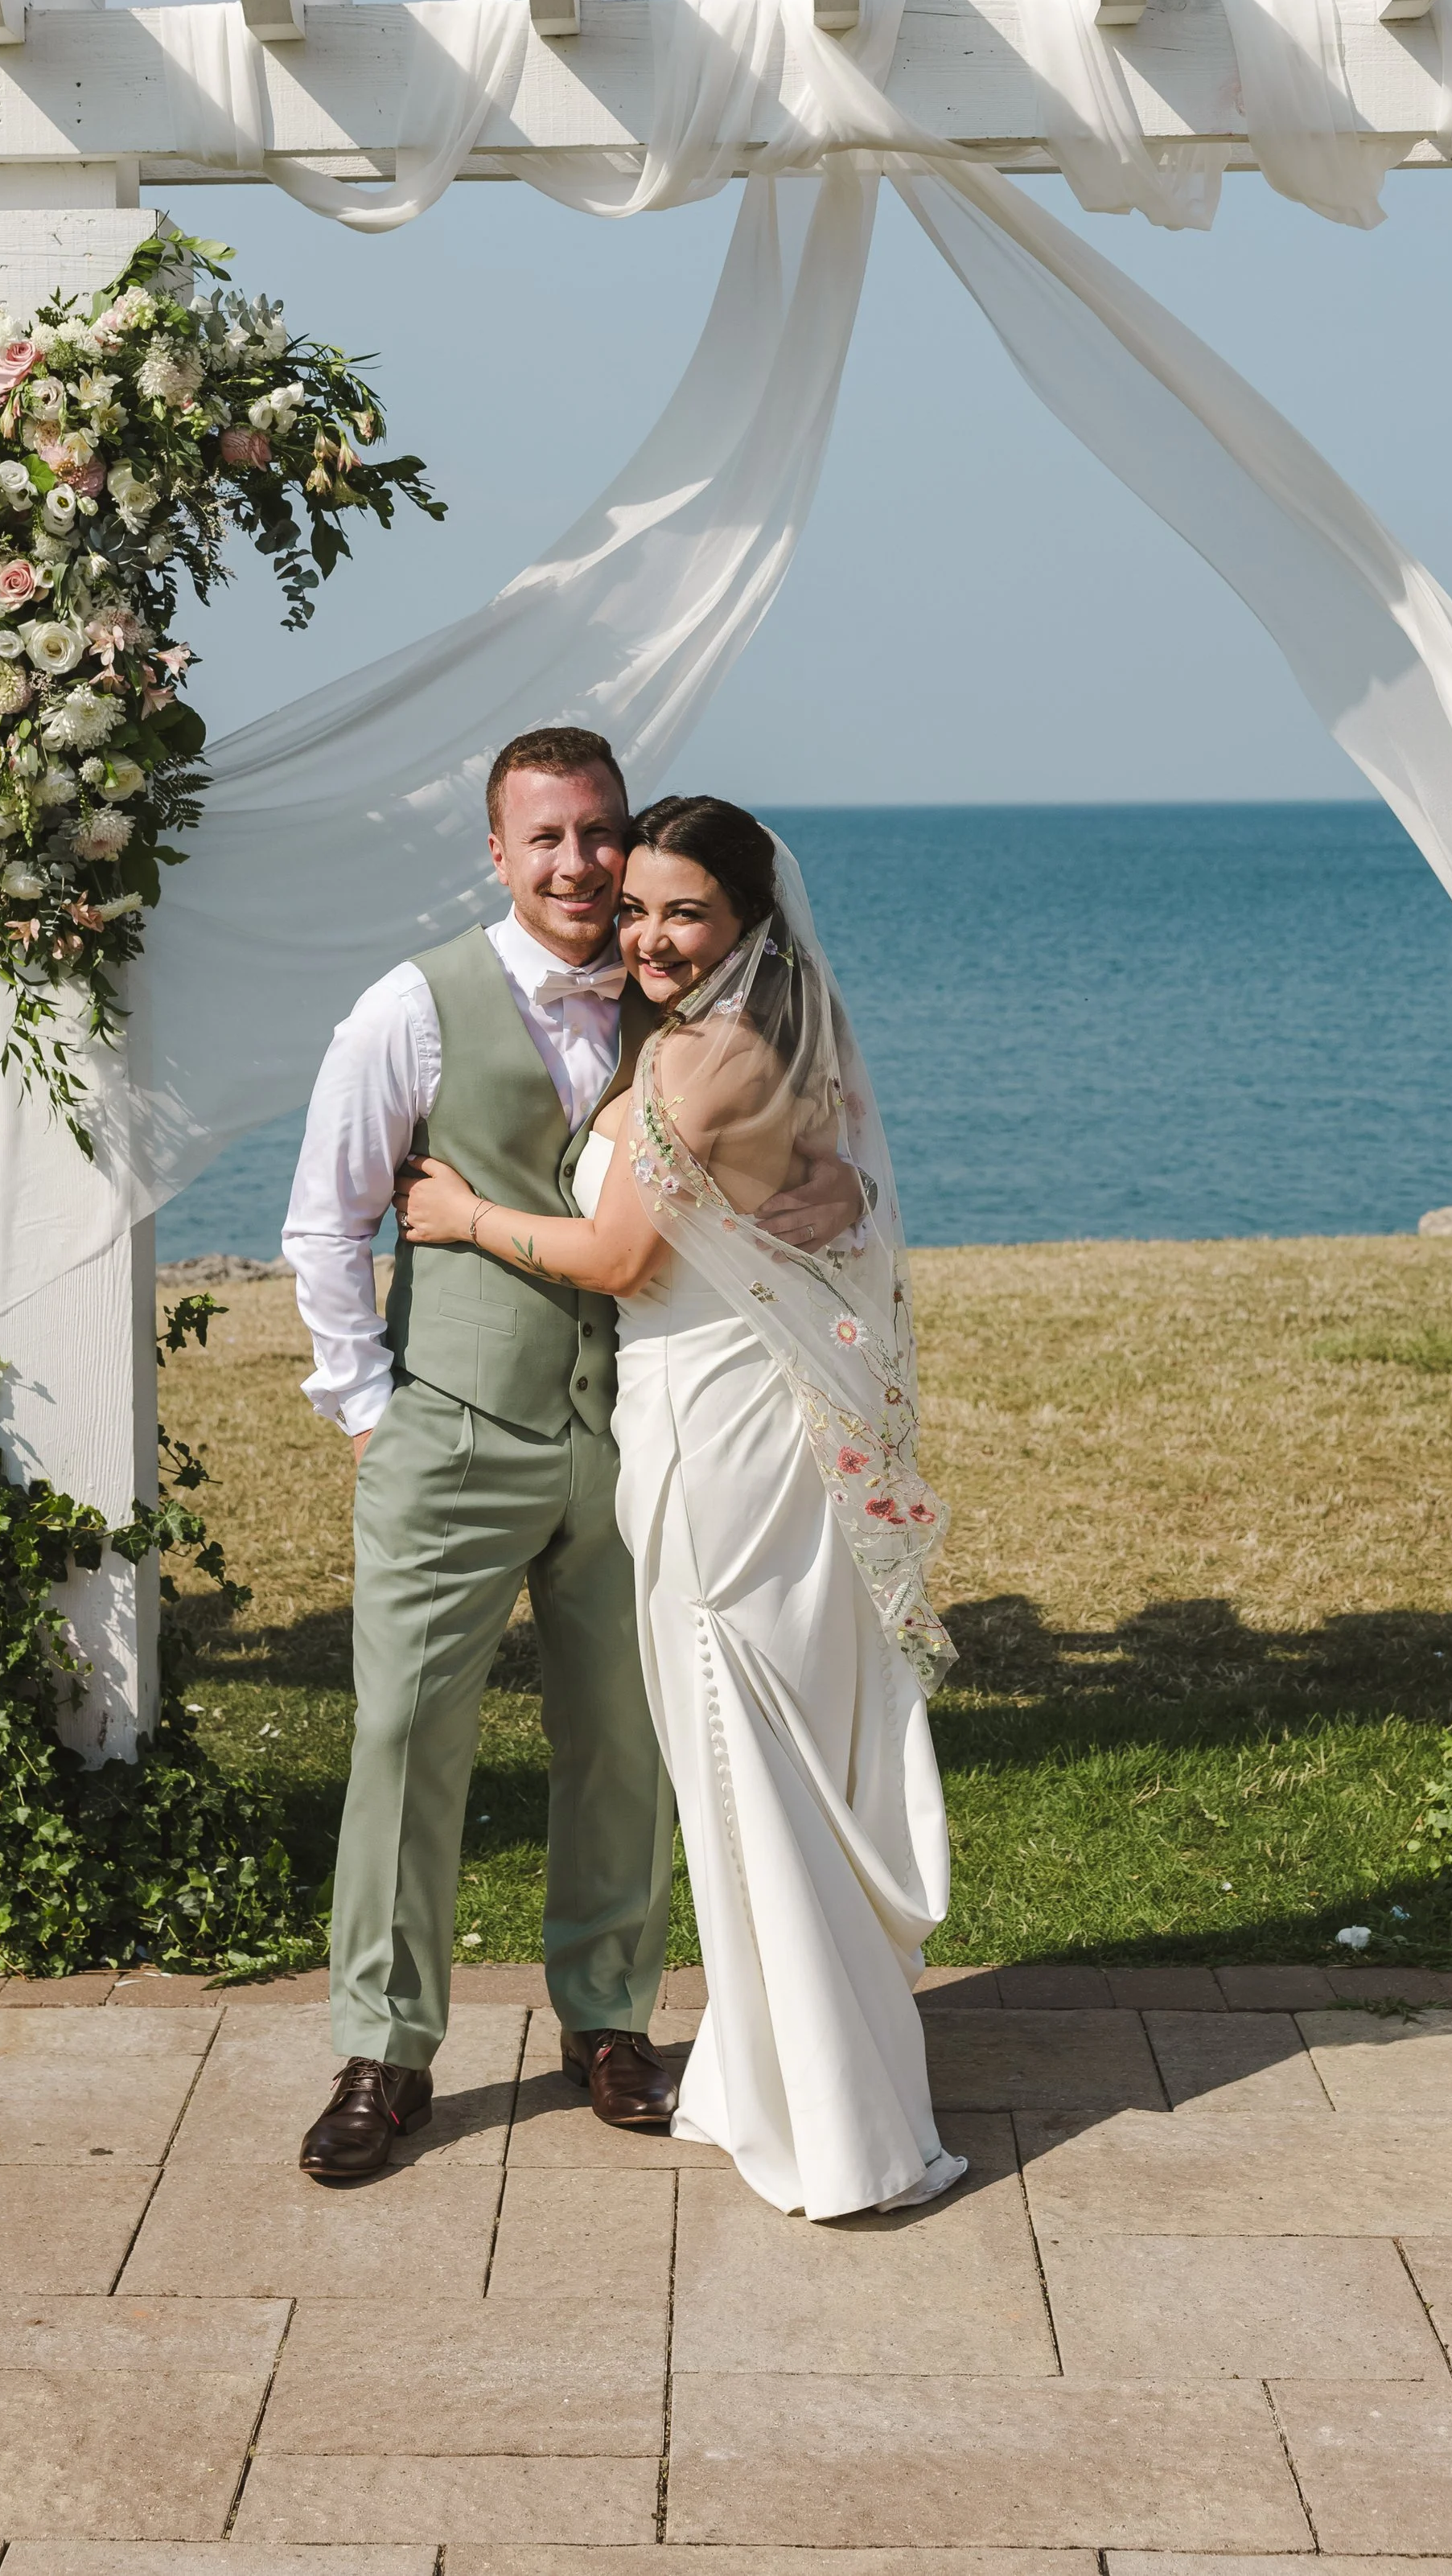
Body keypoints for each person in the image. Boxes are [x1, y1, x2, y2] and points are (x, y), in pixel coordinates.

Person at [283, 729, 857, 2184]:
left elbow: (785, 1145)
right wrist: (368, 1409)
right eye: (545, 838)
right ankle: (385, 2049)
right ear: (496, 851)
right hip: (454, 1437)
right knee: (405, 1739)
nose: (579, 865)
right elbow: (326, 1221)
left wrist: (835, 1177)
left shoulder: (685, 1000)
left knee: (624, 1740)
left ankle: (607, 2021)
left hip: (637, 1437)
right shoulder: (407, 1012)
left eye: (600, 834)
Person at [396, 793, 966, 2219]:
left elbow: (613, 1255)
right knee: (739, 1751)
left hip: (718, 1436)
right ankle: (776, 2068)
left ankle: (837, 2122)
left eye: (684, 913)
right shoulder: (739, 1039)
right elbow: (818, 1181)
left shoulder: (705, 1059)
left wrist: (463, 1220)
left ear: (746, 925)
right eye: (637, 907)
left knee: (736, 1743)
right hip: (722, 1415)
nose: (647, 934)